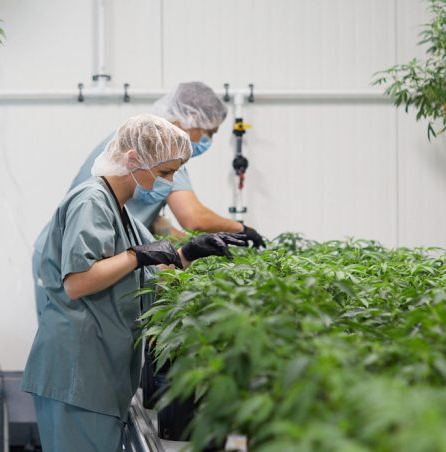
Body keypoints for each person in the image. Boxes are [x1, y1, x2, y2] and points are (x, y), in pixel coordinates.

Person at [22, 115, 251, 451]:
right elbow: (78, 281)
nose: (169, 183)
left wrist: (189, 252)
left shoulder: (122, 210)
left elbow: (151, 269)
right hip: (77, 373)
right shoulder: (91, 201)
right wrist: (136, 255)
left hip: (100, 374)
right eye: (163, 172)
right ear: (132, 160)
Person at [32, 82, 265, 316]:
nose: (170, 181)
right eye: (209, 132)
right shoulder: (152, 149)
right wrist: (242, 229)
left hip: (92, 263)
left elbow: (151, 226)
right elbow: (193, 218)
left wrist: (189, 249)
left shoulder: (129, 192)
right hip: (69, 262)